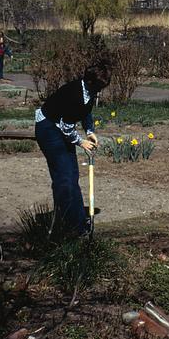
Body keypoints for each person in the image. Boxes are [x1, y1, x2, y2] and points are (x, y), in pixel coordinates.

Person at [35, 60, 112, 237]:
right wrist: (81, 142)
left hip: (59, 128)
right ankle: (72, 227)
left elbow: (86, 112)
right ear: (91, 82)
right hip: (48, 129)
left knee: (71, 176)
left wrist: (90, 130)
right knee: (64, 178)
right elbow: (66, 127)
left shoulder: (88, 91)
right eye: (100, 86)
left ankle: (76, 219)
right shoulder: (75, 94)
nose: (101, 90)